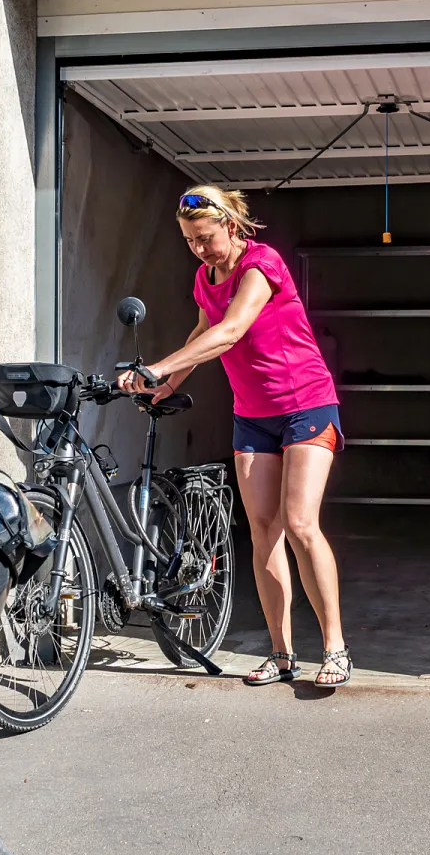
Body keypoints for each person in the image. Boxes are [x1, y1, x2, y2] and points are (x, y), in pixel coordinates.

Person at [117, 185, 353, 688]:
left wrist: (159, 369)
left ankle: (335, 648)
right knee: (264, 531)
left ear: (231, 225)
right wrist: (166, 383)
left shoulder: (261, 265)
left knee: (300, 522)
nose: (199, 249)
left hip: (305, 404)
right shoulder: (206, 277)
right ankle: (281, 652)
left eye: (205, 237)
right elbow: (202, 332)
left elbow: (230, 332)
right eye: (189, 241)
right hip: (253, 415)